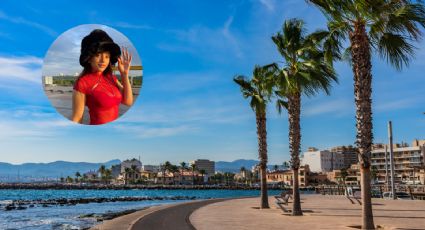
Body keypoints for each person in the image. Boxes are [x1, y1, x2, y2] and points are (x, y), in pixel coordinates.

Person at [71, 29, 133, 125]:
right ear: (89, 58)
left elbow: (128, 101)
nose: (103, 60)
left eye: (107, 56)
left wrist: (124, 75)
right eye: (97, 55)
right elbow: (77, 117)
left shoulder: (111, 78)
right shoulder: (82, 83)